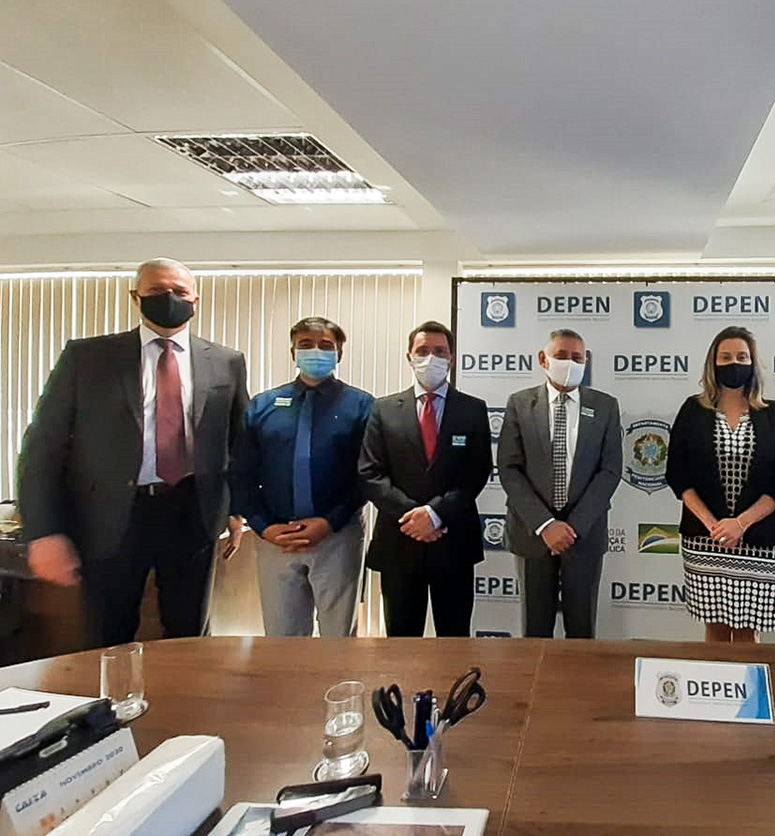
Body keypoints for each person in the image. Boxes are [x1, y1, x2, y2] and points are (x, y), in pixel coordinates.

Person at [17, 258, 248, 647]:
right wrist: (43, 532)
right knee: (107, 637)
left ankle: (180, 690)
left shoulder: (227, 362)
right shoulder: (88, 358)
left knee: (189, 638)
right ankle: (110, 690)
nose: (169, 298)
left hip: (193, 514)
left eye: (179, 291)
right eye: (156, 291)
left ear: (196, 299)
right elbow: (42, 447)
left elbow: (238, 442)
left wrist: (239, 509)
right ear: (135, 297)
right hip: (109, 518)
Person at [231, 317, 373, 637]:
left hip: (337, 535)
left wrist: (330, 522)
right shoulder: (262, 406)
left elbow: (367, 475)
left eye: (325, 345)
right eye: (306, 345)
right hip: (276, 538)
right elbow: (241, 473)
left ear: (339, 353)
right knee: (283, 638)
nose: (315, 351)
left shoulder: (362, 405)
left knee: (339, 638)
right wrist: (264, 526)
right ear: (293, 351)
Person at [358, 321, 491, 636]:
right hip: (399, 542)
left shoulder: (473, 410)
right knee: (401, 641)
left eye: (440, 351)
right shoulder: (383, 409)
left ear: (452, 358)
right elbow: (370, 473)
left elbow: (476, 472)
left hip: (454, 541)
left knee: (455, 639)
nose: (431, 358)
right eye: (423, 350)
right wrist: (414, 517)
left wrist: (434, 514)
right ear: (409, 356)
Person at [665, 326, 775, 643]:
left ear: (752, 363)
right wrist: (715, 526)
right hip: (705, 538)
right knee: (716, 629)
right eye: (725, 357)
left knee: (749, 630)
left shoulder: (772, 413)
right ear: (713, 363)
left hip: (760, 540)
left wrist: (739, 524)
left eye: (741, 357)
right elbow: (677, 474)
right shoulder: (693, 410)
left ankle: (748, 679)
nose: (734, 363)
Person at [497, 329, 622, 638]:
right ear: (543, 359)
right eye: (562, 356)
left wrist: (572, 527)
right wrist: (546, 525)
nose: (570, 363)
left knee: (581, 630)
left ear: (586, 361)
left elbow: (609, 471)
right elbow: (509, 469)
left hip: (584, 535)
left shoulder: (605, 406)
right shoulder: (519, 404)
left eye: (577, 358)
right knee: (535, 630)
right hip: (532, 534)